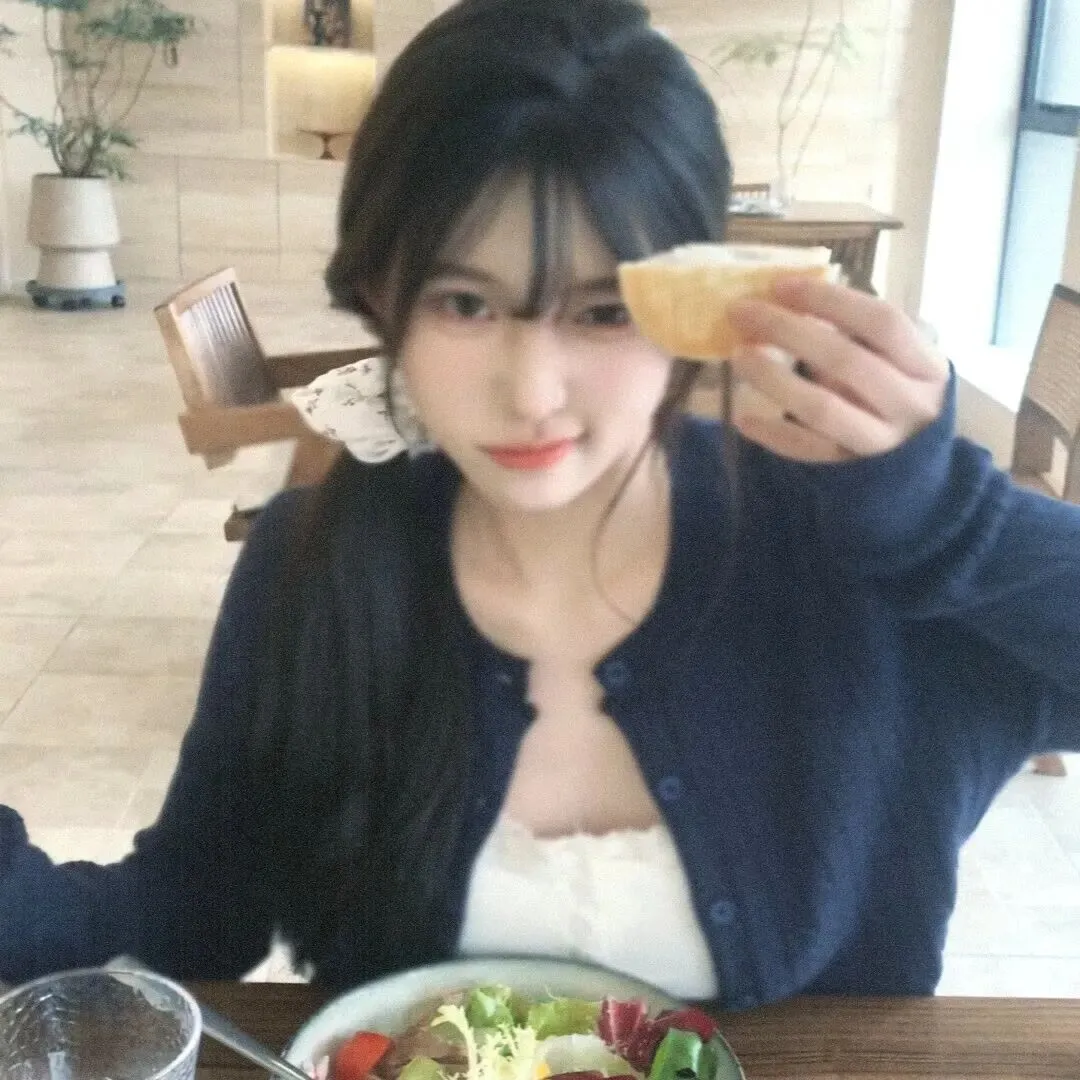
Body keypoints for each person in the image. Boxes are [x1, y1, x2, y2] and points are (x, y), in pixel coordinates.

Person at [2, 0, 1079, 1009]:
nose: (531, 390)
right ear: (382, 295)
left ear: (696, 310)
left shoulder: (857, 561)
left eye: (605, 312)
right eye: (464, 302)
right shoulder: (310, 570)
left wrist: (951, 524)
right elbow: (188, 915)